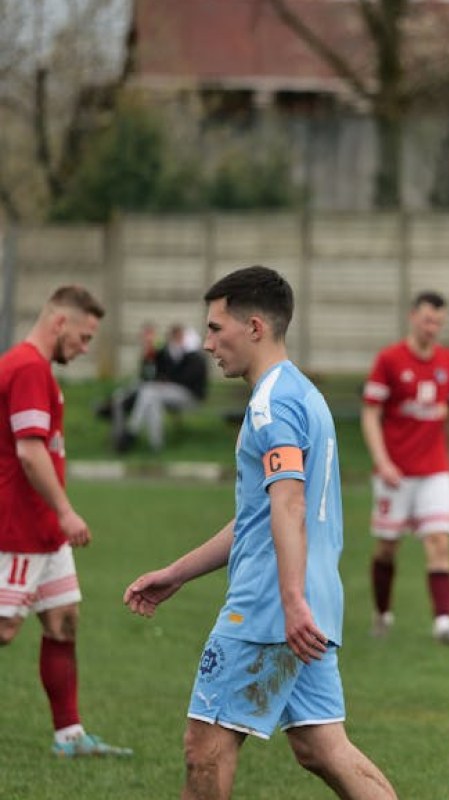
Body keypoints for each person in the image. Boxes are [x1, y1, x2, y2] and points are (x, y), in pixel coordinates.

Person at [123, 266, 395, 800]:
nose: (205, 343)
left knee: (205, 747)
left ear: (253, 327)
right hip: (307, 600)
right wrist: (177, 574)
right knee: (324, 747)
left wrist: (289, 602)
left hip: (271, 606)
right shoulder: (303, 395)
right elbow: (261, 515)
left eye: (215, 328)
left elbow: (289, 505)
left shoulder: (273, 405)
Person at [0, 285, 132, 758]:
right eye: (83, 336)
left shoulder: (37, 369)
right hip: (16, 526)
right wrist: (66, 510)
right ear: (59, 323)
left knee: (62, 621)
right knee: (5, 629)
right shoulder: (28, 367)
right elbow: (30, 452)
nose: (84, 347)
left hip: (44, 532)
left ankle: (69, 736)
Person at [362, 291, 449, 644]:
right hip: (395, 472)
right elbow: (371, 413)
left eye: (438, 321)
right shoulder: (389, 360)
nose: (432, 327)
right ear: (412, 317)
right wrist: (382, 461)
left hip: (434, 470)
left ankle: (443, 624)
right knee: (387, 548)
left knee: (439, 542)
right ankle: (382, 613)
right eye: (427, 319)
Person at [113, 323, 209, 452]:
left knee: (149, 392)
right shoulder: (167, 352)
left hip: (189, 396)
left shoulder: (193, 354)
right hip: (166, 393)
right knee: (150, 396)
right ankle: (156, 445)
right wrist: (148, 352)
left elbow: (190, 379)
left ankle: (132, 431)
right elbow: (149, 373)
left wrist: (168, 381)